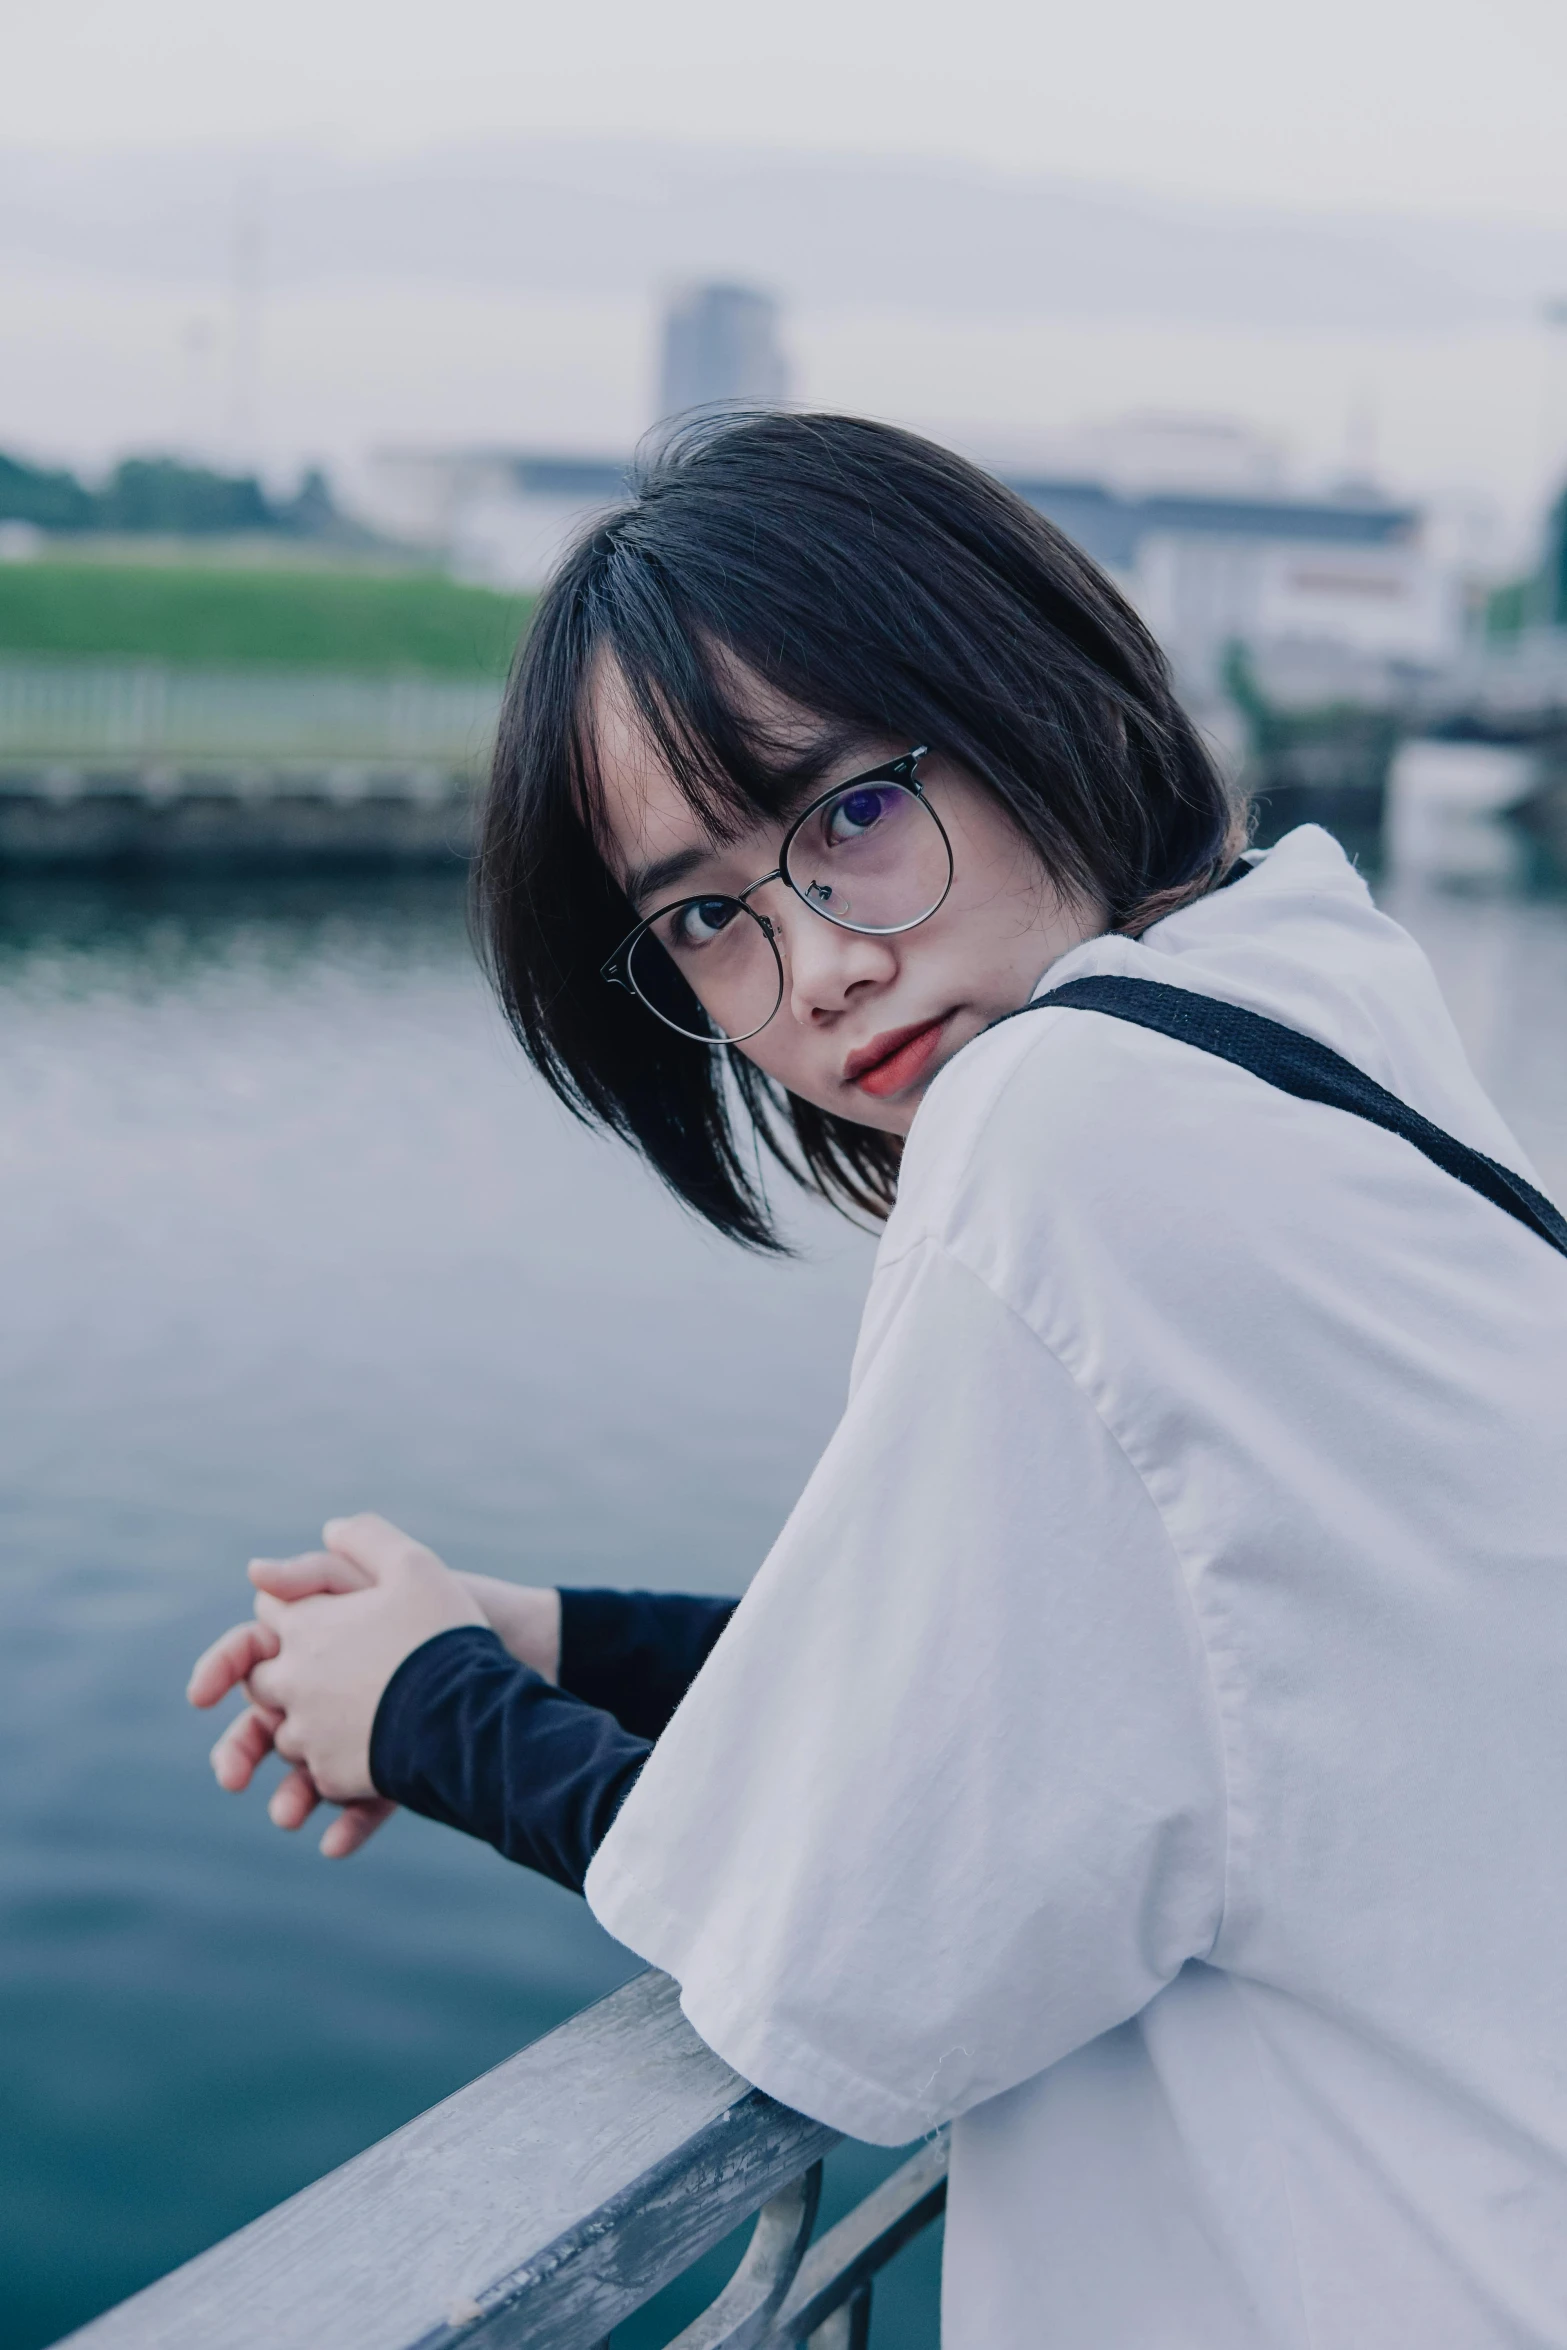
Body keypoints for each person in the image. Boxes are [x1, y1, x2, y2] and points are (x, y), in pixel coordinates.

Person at [188, 412, 1567, 2347]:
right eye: (703, 918)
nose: (813, 965)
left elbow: (833, 1934)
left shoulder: (1066, 1125)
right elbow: (1134, 1645)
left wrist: (427, 1708)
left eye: (842, 813)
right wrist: (550, 1633)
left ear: (1020, 695)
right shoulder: (1301, 998)